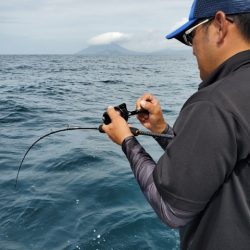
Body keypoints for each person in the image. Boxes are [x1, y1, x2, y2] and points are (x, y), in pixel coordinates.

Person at [102, 0, 250, 249]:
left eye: (190, 37)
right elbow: (211, 159)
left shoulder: (214, 103)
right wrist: (162, 131)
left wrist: (127, 140)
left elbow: (171, 208)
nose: (191, 49)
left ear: (220, 24)